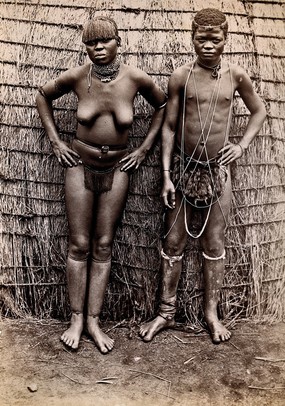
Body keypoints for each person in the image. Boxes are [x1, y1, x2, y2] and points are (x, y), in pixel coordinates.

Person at [36, 16, 166, 353]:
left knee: (104, 243)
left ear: (118, 42)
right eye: (91, 43)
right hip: (79, 163)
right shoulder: (79, 77)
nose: (97, 48)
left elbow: (163, 105)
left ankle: (94, 320)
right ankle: (76, 318)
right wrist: (56, 142)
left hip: (119, 167)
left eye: (104, 41)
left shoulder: (135, 78)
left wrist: (143, 149)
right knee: (79, 244)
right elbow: (43, 97)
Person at [139, 8, 266, 344]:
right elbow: (168, 126)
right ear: (192, 38)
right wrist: (167, 175)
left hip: (218, 171)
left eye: (215, 39)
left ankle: (212, 314)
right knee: (173, 242)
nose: (208, 45)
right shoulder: (180, 76)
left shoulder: (236, 76)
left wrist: (241, 145)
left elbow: (259, 111)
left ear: (226, 39)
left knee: (214, 243)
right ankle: (165, 312)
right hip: (182, 169)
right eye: (201, 39)